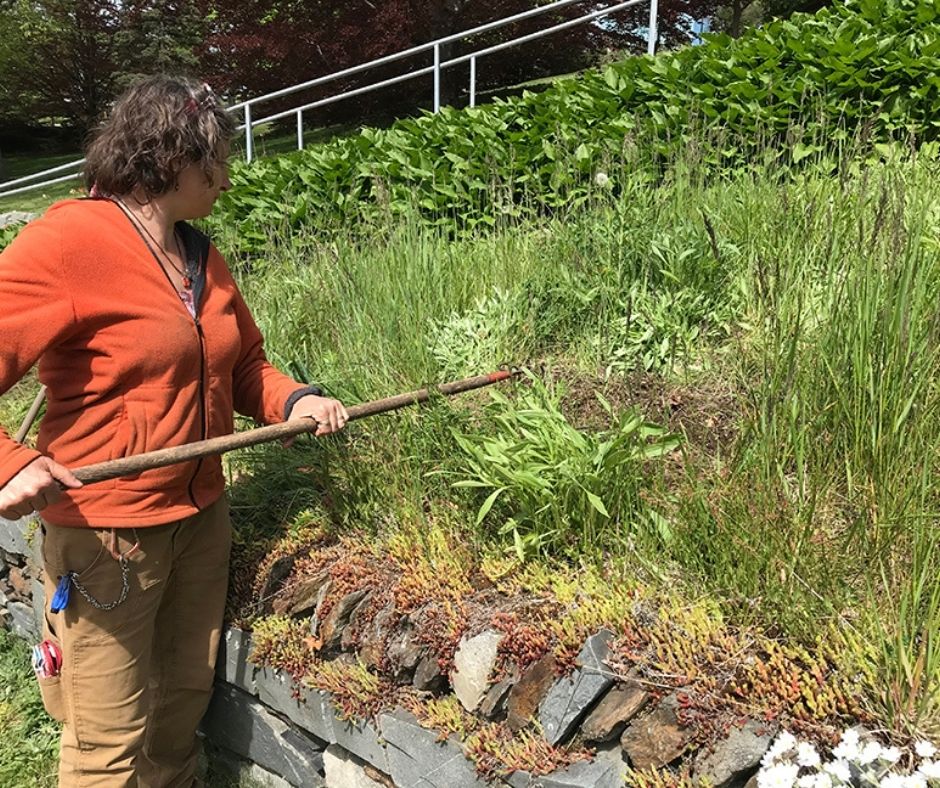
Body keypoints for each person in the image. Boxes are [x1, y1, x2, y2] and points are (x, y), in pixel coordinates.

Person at [0, 75, 348, 787]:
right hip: (108, 538)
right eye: (216, 160)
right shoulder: (66, 242)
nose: (226, 179)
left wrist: (293, 402)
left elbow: (243, 364)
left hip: (201, 522)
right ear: (170, 160)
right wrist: (7, 463)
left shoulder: (198, 254)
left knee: (178, 713)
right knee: (107, 737)